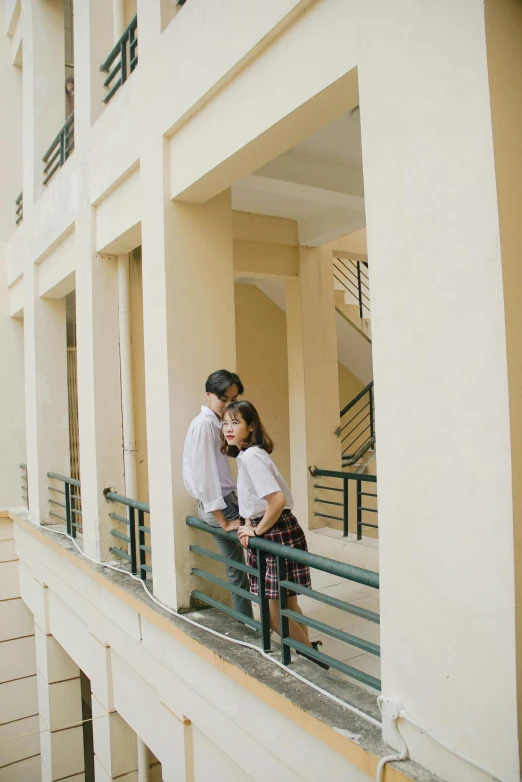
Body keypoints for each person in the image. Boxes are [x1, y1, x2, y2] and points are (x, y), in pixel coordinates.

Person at [222, 400, 327, 668]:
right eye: (225, 423)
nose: (228, 429)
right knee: (288, 605)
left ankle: (313, 661)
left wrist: (255, 529)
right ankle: (311, 655)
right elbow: (252, 498)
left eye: (236, 422)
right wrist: (247, 524)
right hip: (276, 529)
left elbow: (277, 500)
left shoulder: (252, 457)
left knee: (274, 615)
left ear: (251, 426)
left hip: (275, 531)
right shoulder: (248, 455)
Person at [183, 370, 253, 619]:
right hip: (222, 506)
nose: (228, 404)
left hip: (222, 503)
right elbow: (204, 474)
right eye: (223, 398)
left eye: (233, 399)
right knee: (245, 569)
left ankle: (251, 626)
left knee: (238, 570)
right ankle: (252, 628)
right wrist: (223, 519)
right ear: (209, 395)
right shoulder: (205, 424)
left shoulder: (216, 422)